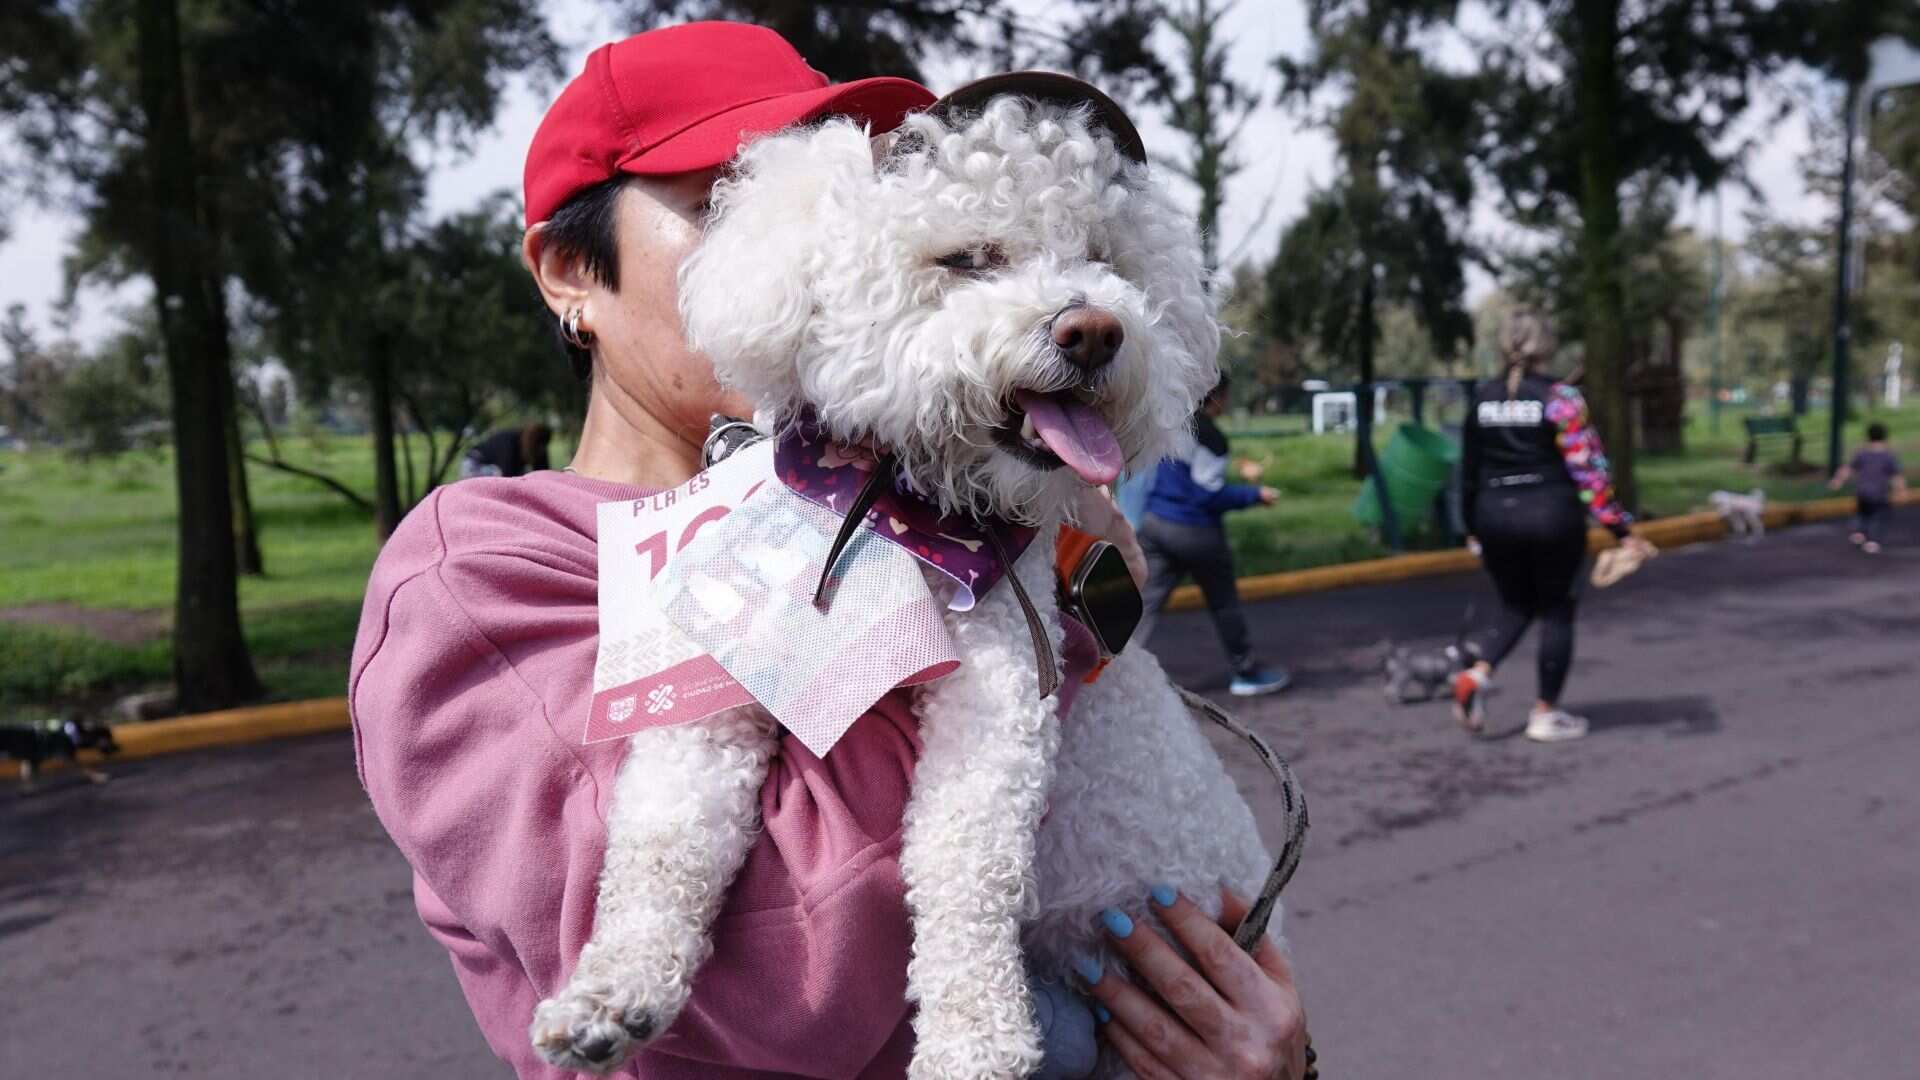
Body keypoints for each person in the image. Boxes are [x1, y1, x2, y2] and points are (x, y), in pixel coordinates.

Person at [348, 22, 1305, 1080]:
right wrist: (1060, 622)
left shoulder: (959, 490)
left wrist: (1282, 1061)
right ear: (570, 270)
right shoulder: (483, 568)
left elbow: (1091, 686)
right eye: (718, 203)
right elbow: (776, 986)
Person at [1452, 310, 1657, 742]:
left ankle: (1476, 674)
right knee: (1557, 611)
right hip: (1551, 516)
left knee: (1515, 604)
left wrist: (1471, 527)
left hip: (1493, 517)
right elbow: (1590, 473)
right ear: (1547, 347)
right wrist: (1622, 530)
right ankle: (1545, 714)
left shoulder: (1483, 398)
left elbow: (1468, 472)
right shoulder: (1561, 398)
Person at [1134, 374, 1291, 697]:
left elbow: (1183, 478)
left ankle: (1112, 671)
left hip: (1154, 525)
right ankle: (1245, 672)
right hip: (1194, 533)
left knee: (1144, 605)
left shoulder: (1173, 422)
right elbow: (1208, 495)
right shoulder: (1212, 437)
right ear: (1217, 397)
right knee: (1224, 604)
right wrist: (1253, 495)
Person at [1829, 421, 1906, 554]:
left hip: (1862, 491)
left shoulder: (1862, 453)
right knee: (1878, 516)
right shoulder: (1888, 456)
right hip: (1879, 493)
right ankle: (1872, 542)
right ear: (1885, 437)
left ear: (1868, 437)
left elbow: (1847, 469)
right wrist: (1901, 490)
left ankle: (1859, 533)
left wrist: (1837, 481)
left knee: (1862, 513)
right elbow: (1896, 476)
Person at [459, 422, 553, 479]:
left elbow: (543, 474)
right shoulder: (510, 443)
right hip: (476, 463)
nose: (542, 450)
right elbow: (506, 474)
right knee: (500, 476)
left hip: (501, 469)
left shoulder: (538, 449)